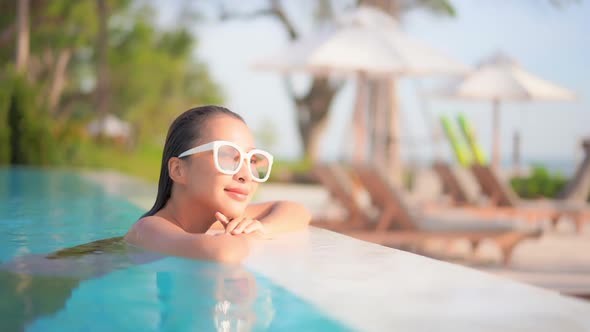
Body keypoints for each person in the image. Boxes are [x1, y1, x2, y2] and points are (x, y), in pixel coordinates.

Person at [124, 105, 311, 263]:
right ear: (178, 170)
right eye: (227, 156)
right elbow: (223, 252)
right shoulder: (147, 230)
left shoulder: (212, 218)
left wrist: (262, 228)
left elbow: (297, 210)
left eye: (251, 160)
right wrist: (248, 237)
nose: (246, 175)